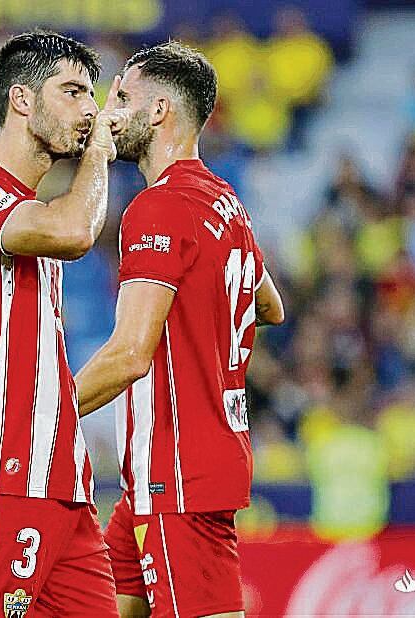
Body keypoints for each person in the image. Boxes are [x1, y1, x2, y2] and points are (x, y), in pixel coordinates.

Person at [75, 42, 285, 618]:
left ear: (160, 110)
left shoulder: (158, 207)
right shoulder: (224, 202)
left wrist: (44, 413)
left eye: (120, 96)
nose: (106, 111)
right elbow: (270, 306)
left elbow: (128, 354)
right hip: (182, 462)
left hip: (178, 470)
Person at [0, 31, 128, 616]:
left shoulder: (28, 206)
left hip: (61, 478)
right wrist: (98, 157)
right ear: (21, 99)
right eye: (72, 92)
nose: (90, 110)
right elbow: (74, 233)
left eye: (93, 95)